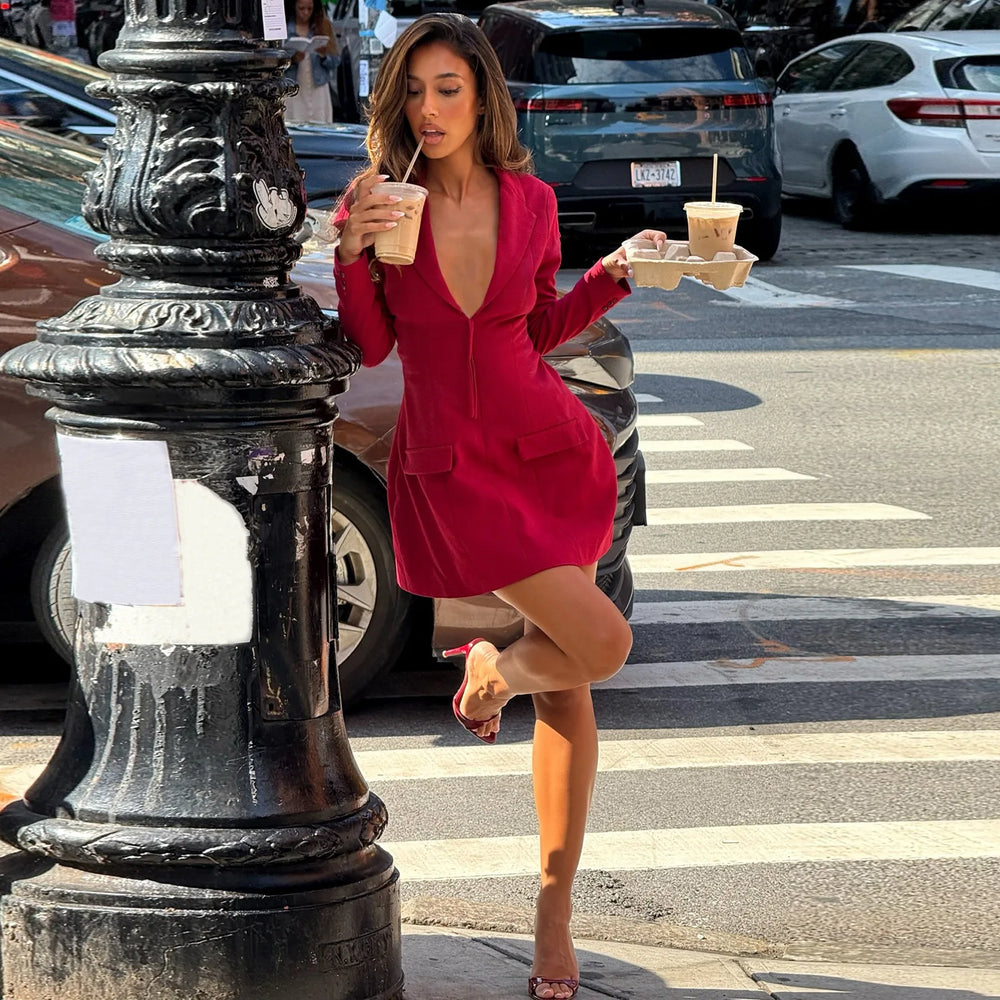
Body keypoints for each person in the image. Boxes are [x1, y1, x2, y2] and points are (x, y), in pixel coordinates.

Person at [333, 14, 665, 1000]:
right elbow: (374, 349)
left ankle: (551, 910)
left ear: (482, 97)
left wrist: (611, 277)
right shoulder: (386, 203)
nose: (428, 111)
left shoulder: (530, 200)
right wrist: (352, 248)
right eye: (413, 92)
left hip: (551, 449)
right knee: (601, 644)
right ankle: (489, 671)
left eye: (447, 90)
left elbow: (538, 323)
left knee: (571, 682)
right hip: (454, 466)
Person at [283, 0, 339, 124]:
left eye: (310, 8)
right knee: (294, 121)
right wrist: (292, 60)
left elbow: (335, 62)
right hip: (294, 85)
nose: (306, 13)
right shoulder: (285, 29)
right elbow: (277, 62)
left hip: (318, 86)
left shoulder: (323, 26)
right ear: (294, 8)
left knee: (319, 122)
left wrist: (324, 55)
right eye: (301, 8)